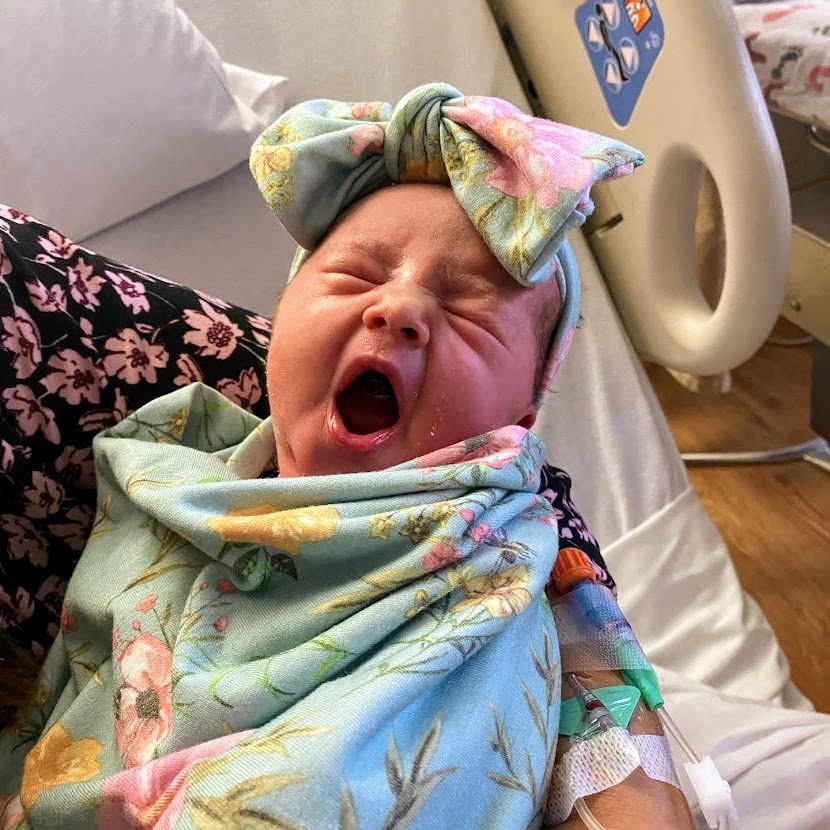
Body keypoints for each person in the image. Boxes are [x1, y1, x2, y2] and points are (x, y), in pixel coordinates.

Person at [0, 84, 693, 829]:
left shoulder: (502, 557)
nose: (399, 308)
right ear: (277, 326)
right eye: (358, 275)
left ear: (515, 428)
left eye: (466, 309)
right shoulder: (167, 465)